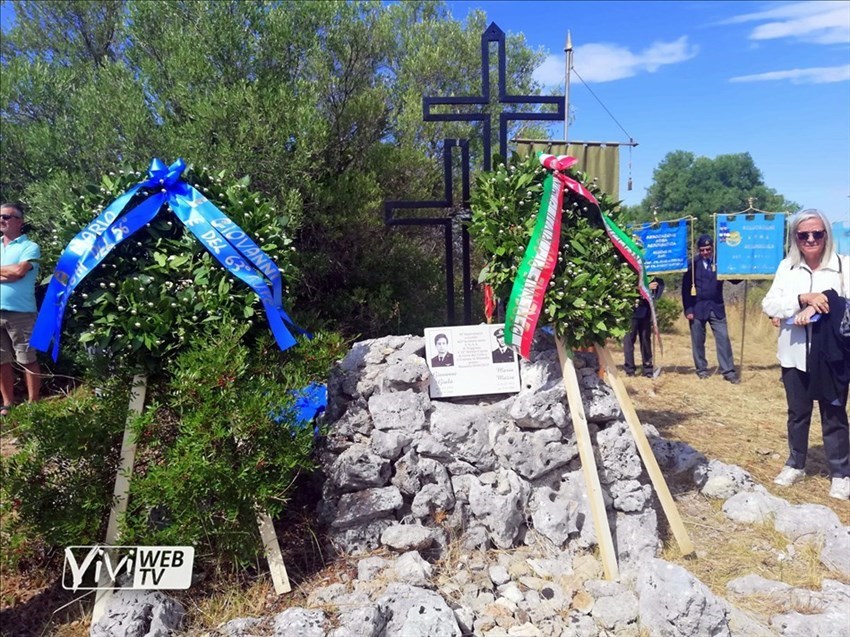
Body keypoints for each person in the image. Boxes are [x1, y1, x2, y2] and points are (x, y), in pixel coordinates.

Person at [762, 209, 849, 500]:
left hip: (832, 357)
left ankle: (840, 473)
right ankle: (796, 463)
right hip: (794, 353)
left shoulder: (843, 267)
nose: (810, 239)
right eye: (803, 235)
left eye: (817, 233)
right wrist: (802, 299)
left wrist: (823, 302)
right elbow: (770, 305)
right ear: (795, 238)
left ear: (826, 234)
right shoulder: (787, 267)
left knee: (834, 414)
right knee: (798, 413)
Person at [681, 234, 740, 383]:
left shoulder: (720, 263)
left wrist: (743, 269)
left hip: (716, 308)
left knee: (723, 339)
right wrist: (688, 310)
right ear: (698, 250)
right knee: (698, 341)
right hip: (697, 308)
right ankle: (701, 369)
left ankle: (729, 371)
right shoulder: (692, 265)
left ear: (712, 248)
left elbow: (734, 279)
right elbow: (685, 289)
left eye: (708, 249)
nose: (705, 252)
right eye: (702, 250)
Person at [1, 203, 41, 416]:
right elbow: (14, 272)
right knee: (1, 361)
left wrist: (13, 273)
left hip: (21, 312)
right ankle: (8, 404)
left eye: (6, 216)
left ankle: (34, 405)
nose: (1, 220)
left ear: (19, 221)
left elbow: (19, 271)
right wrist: (10, 273)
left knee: (27, 358)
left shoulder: (30, 247)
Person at [623, 277, 664, 377]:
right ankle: (630, 369)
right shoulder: (629, 269)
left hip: (646, 311)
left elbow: (660, 285)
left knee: (646, 340)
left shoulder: (651, 272)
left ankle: (647, 368)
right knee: (629, 341)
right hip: (630, 311)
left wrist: (657, 285)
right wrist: (644, 288)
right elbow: (625, 288)